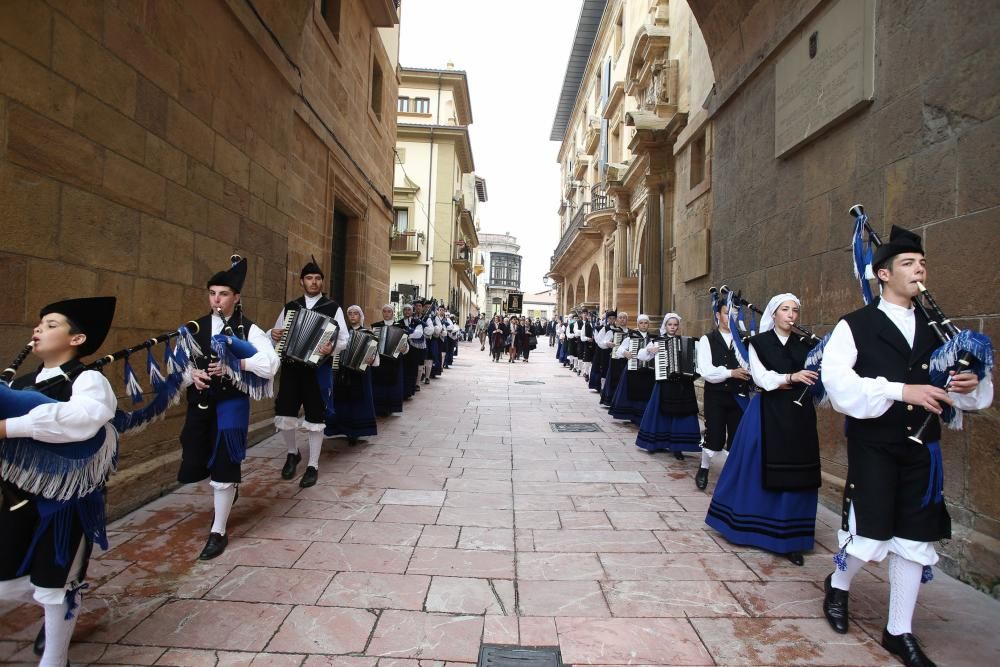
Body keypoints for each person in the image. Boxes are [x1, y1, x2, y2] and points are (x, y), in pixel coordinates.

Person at [819, 226, 992, 667]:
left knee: (914, 540)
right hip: (873, 445)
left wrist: (971, 385)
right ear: (882, 274)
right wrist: (902, 391)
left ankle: (899, 631)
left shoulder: (940, 330)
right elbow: (840, 387)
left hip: (923, 449)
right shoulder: (853, 325)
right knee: (868, 536)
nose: (920, 270)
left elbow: (971, 396)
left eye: (922, 263)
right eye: (909, 263)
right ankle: (838, 584)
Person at [0, 296, 117, 667]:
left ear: (77, 339)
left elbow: (83, 420)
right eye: (38, 324)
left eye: (51, 325)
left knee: (56, 581)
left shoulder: (88, 379)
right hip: (16, 497)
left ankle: (54, 658)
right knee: (7, 573)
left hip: (66, 502)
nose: (38, 329)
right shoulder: (21, 382)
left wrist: (8, 425)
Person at [705, 294, 820, 567]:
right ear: (774, 313)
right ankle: (752, 528)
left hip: (798, 414)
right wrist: (790, 378)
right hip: (767, 413)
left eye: (795, 310)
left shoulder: (806, 345)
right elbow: (761, 378)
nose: (791, 315)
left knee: (797, 471)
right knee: (758, 468)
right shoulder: (757, 343)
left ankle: (792, 538)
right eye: (785, 309)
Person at [269, 257, 347, 489]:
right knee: (285, 415)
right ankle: (292, 454)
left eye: (317, 279)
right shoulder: (291, 307)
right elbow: (276, 332)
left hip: (317, 369)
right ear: (301, 282)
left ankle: (313, 465)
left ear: (322, 282)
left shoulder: (332, 308)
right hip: (292, 368)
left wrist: (330, 347)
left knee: (315, 417)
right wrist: (273, 334)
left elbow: (344, 338)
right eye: (309, 278)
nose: (313, 282)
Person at [695, 300, 752, 490]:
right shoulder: (707, 339)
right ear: (718, 315)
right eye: (728, 313)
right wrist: (730, 373)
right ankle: (704, 468)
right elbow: (705, 370)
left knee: (736, 439)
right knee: (714, 436)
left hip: (739, 396)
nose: (731, 318)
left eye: (735, 314)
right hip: (716, 396)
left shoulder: (745, 341)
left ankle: (730, 477)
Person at [636, 313, 702, 460]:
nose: (673, 327)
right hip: (664, 382)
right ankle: (656, 442)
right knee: (661, 413)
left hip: (683, 383)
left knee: (682, 412)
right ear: (665, 326)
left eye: (675, 325)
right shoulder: (657, 341)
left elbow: (696, 359)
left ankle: (678, 446)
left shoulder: (687, 341)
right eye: (670, 325)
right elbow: (641, 355)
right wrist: (649, 350)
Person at [324, 305, 379, 444]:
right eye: (350, 314)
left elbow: (376, 360)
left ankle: (356, 432)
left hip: (360, 374)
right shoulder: (343, 333)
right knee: (342, 400)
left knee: (358, 402)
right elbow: (335, 351)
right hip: (342, 372)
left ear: (360, 316)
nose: (353, 316)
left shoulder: (368, 334)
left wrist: (371, 360)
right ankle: (341, 429)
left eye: (355, 313)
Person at [609, 314, 656, 424]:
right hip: (632, 369)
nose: (643, 325)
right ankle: (632, 414)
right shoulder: (631, 336)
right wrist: (625, 353)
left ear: (648, 324)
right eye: (641, 323)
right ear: (637, 324)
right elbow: (619, 349)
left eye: (646, 323)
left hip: (648, 370)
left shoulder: (653, 338)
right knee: (632, 390)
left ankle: (643, 415)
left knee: (645, 391)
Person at [371, 304, 408, 418]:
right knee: (379, 382)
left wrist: (404, 349)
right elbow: (372, 343)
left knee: (392, 383)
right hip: (381, 359)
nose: (386, 314)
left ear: (392, 313)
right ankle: (379, 407)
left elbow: (405, 346)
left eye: (389, 312)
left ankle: (390, 407)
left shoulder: (400, 326)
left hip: (394, 360)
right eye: (385, 311)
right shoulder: (376, 327)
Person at [600, 312, 629, 407]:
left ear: (627, 320)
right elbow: (604, 342)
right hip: (615, 359)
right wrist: (608, 343)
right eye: (620, 318)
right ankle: (612, 399)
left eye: (624, 318)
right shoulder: (613, 331)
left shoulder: (631, 332)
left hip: (627, 359)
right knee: (614, 378)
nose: (622, 319)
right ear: (617, 320)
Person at [399, 303, 424, 397]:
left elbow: (419, 333)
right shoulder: (399, 322)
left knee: (412, 369)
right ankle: (403, 390)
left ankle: (410, 391)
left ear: (412, 311)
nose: (407, 312)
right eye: (405, 310)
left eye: (409, 310)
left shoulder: (417, 322)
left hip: (414, 349)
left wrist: (408, 334)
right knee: (404, 368)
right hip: (403, 349)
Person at [589, 311, 614, 393]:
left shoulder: (617, 329)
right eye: (610, 318)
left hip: (613, 353)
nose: (612, 320)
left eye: (614, 318)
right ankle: (602, 387)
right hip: (603, 352)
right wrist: (606, 344)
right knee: (603, 369)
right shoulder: (604, 328)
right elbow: (599, 341)